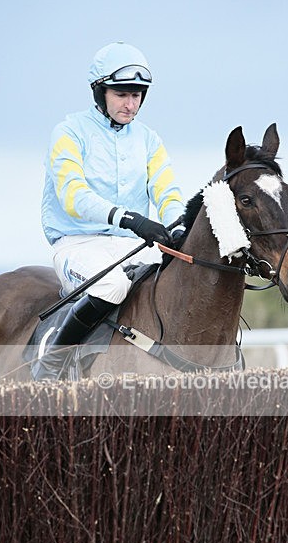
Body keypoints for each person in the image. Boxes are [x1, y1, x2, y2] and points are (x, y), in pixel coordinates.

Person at [33, 41, 185, 381]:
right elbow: (74, 195)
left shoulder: (148, 139)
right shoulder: (68, 133)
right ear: (99, 92)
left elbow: (166, 190)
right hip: (77, 244)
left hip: (131, 245)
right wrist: (130, 218)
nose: (131, 105)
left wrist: (176, 225)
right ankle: (51, 367)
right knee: (113, 286)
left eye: (137, 95)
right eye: (122, 95)